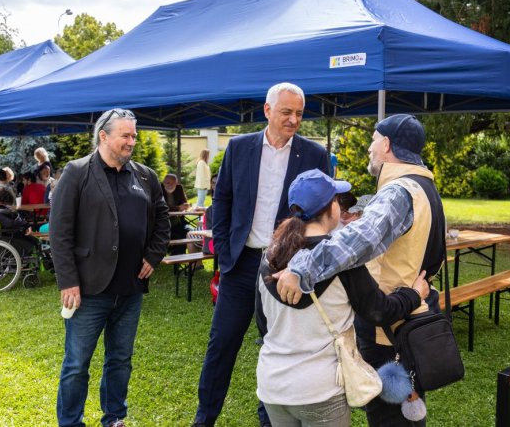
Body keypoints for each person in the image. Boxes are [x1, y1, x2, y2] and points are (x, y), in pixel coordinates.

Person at [275, 114, 446, 427]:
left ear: (386, 143)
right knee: (407, 408)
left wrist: (302, 266)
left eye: (373, 141)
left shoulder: (399, 191)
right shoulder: (424, 186)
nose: (369, 148)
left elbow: (359, 241)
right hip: (414, 314)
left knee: (388, 417)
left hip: (389, 327)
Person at [191, 82, 331, 427]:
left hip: (285, 269)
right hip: (241, 264)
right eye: (286, 112)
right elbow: (220, 200)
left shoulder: (314, 154)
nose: (294, 119)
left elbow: (323, 213)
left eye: (299, 113)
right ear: (267, 111)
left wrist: (301, 263)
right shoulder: (239, 148)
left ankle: (269, 420)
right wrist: (223, 252)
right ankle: (204, 418)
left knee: (279, 348)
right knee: (222, 343)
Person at [255, 169, 429, 427]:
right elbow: (379, 311)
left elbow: (262, 323)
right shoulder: (343, 264)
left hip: (272, 384)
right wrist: (414, 294)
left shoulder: (269, 255)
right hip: (320, 389)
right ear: (332, 207)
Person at [50, 108, 170, 427]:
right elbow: (60, 232)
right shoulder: (76, 173)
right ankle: (71, 422)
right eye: (125, 135)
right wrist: (68, 281)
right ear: (104, 136)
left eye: (134, 135)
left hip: (130, 291)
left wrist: (153, 256)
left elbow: (162, 222)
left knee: (120, 360)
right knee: (77, 363)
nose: (131, 141)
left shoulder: (145, 176)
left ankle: (114, 417)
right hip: (88, 290)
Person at [162, 173, 190, 254]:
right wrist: (178, 208)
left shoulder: (179, 188)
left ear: (176, 183)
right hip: (162, 222)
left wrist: (185, 207)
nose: (169, 185)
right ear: (163, 182)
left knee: (187, 231)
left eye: (173, 183)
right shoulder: (159, 188)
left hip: (178, 221)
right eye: (167, 183)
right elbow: (161, 205)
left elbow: (184, 203)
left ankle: (179, 256)